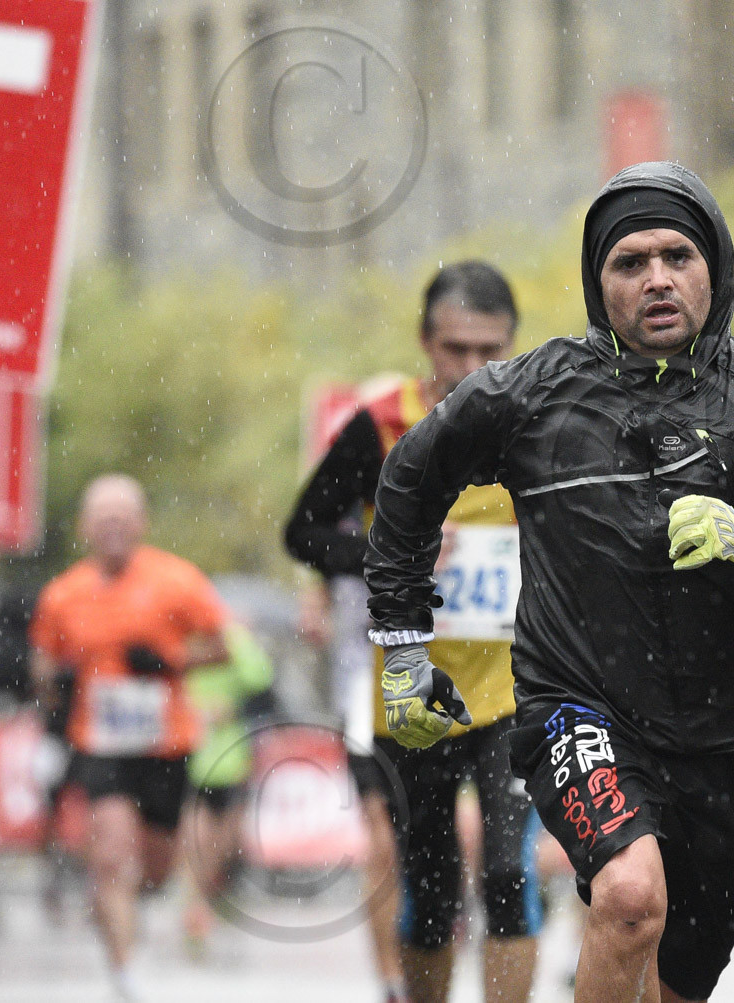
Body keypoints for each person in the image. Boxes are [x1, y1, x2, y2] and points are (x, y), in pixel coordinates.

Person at [362, 161, 734, 1003]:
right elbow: (409, 478)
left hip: (727, 744)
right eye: (630, 262)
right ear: (599, 281)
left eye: (677, 256)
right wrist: (404, 645)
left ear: (713, 269)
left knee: (671, 983)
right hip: (578, 708)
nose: (657, 278)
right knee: (626, 899)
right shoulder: (533, 393)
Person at [283, 261, 539, 1003]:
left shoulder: (534, 422)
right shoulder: (379, 426)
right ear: (426, 342)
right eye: (456, 348)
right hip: (411, 687)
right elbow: (302, 532)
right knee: (431, 891)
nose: (472, 366)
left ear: (512, 345)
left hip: (515, 690)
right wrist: (385, 553)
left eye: (490, 350)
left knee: (508, 874)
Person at [30, 474, 230, 1002]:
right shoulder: (63, 593)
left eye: (122, 516)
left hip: (165, 742)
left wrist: (171, 661)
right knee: (112, 854)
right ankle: (126, 974)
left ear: (141, 524)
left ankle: (131, 904)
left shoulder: (177, 580)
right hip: (98, 742)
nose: (113, 526)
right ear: (85, 527)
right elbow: (42, 662)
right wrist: (57, 680)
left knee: (156, 866)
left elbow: (222, 647)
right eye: (103, 517)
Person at [180, 621, 277, 959]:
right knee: (197, 843)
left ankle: (206, 900)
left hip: (232, 761)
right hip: (192, 760)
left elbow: (261, 678)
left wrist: (235, 640)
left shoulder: (231, 638)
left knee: (224, 845)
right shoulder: (182, 639)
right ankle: (195, 911)